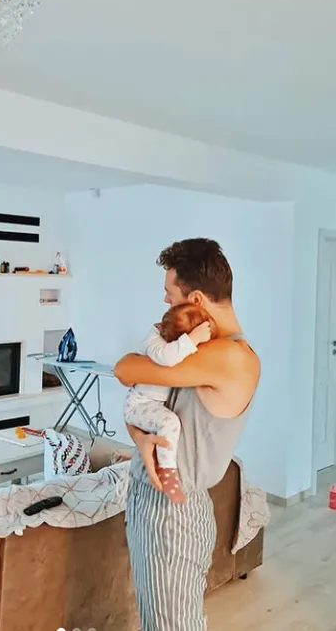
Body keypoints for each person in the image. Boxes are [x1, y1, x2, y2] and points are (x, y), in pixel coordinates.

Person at [114, 238, 260, 631]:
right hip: (158, 501)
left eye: (170, 293)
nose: (165, 302)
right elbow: (144, 400)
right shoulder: (202, 350)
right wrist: (139, 437)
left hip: (171, 514)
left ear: (195, 299)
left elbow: (126, 369)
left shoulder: (229, 357)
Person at [124, 302, 216, 504]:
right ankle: (167, 473)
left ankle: (161, 467)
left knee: (166, 427)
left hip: (151, 405)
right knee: (170, 423)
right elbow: (168, 357)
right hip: (138, 404)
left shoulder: (169, 341)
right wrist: (194, 338)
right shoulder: (153, 340)